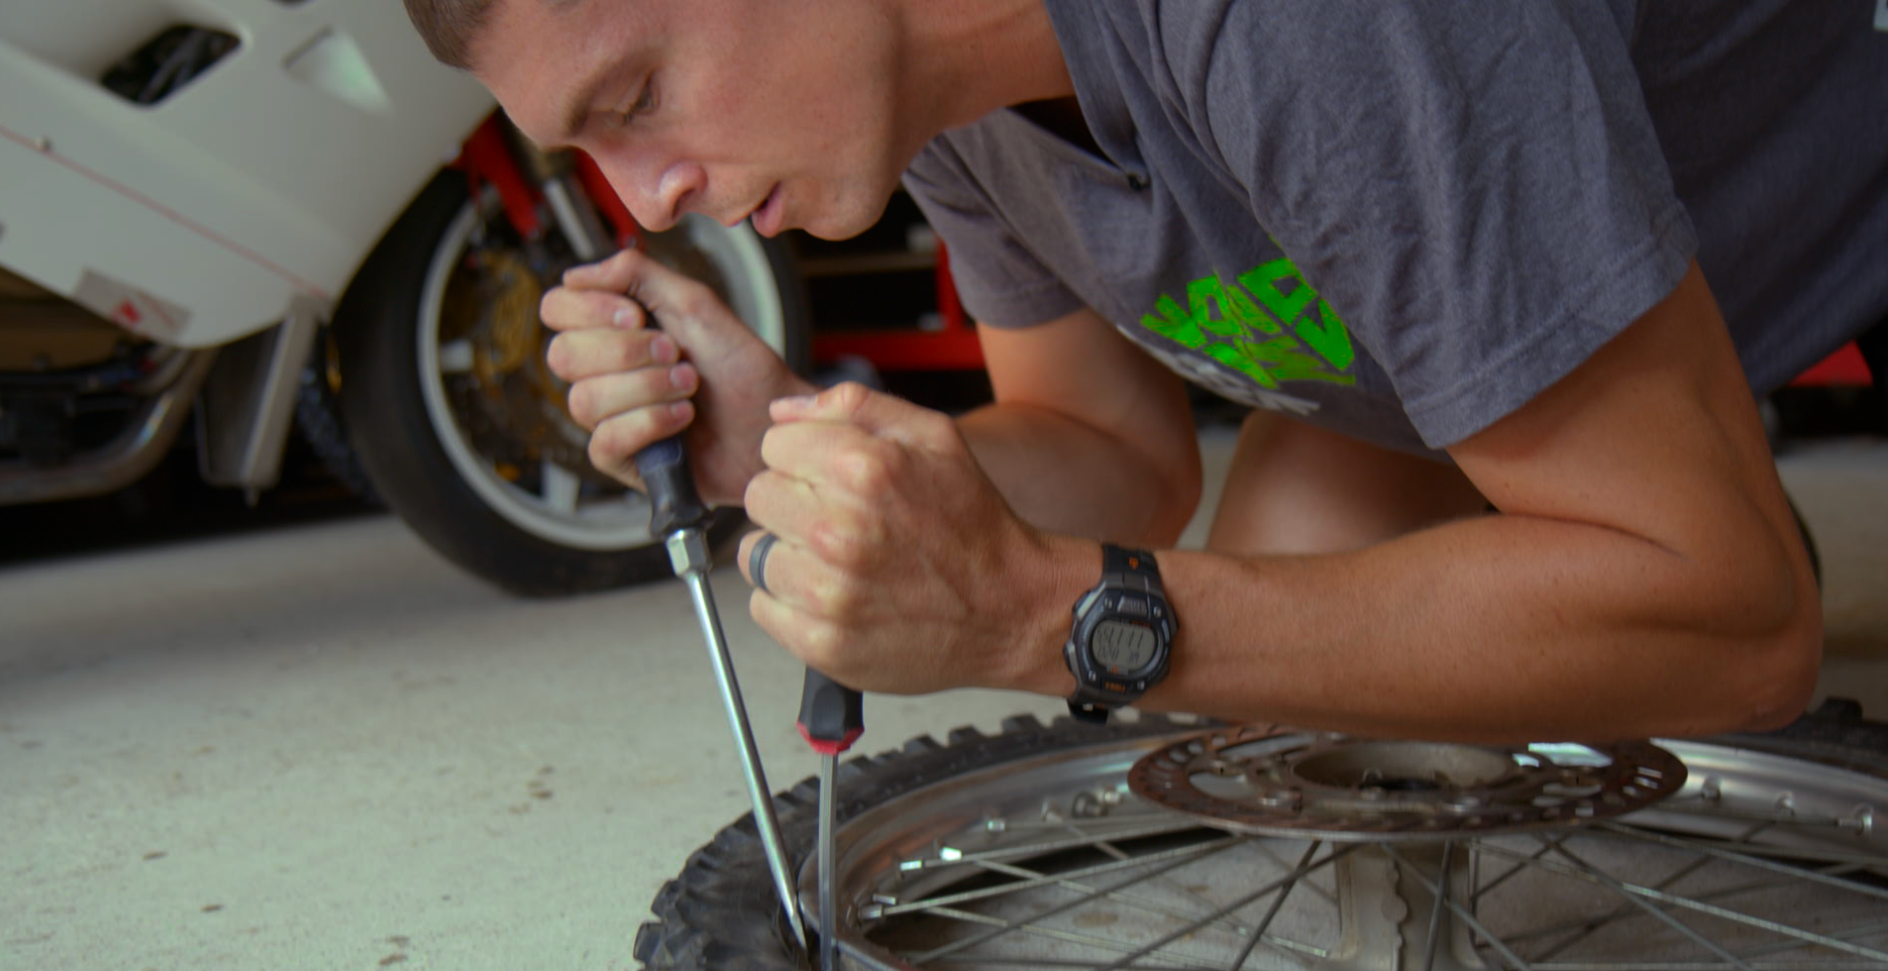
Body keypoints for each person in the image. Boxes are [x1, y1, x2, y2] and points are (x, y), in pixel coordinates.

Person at [401, 0, 1887, 744]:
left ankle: (1637, 499)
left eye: (639, 95)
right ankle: (1626, 479)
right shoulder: (945, 99)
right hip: (1528, 361)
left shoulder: (1295, 27)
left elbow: (1747, 621)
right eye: (586, 148)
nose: (642, 199)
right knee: (1281, 706)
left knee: (1679, 602)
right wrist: (781, 439)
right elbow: (1105, 446)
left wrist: (1051, 617)